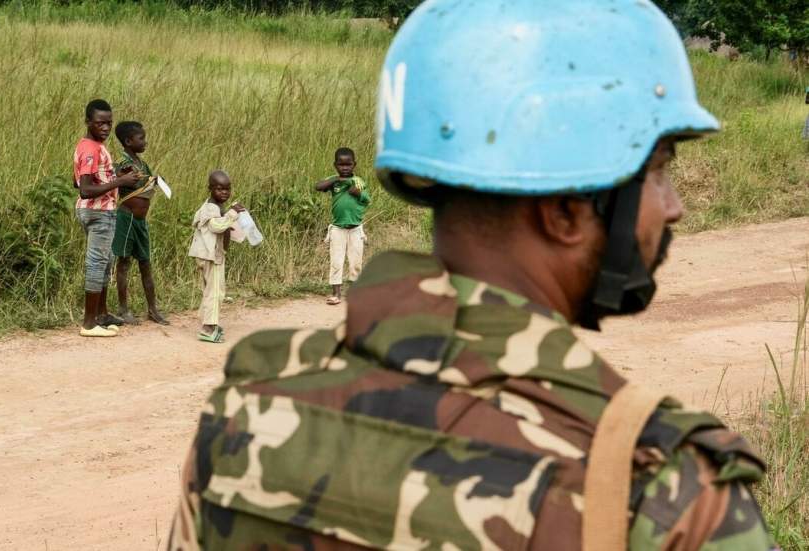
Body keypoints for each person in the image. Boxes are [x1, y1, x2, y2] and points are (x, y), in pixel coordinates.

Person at [168, 0, 778, 549]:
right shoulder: (666, 494)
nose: (672, 206)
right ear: (566, 211)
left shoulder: (248, 407)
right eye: (659, 170)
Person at [73, 99, 139, 338]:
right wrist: (120, 182)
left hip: (102, 211)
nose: (106, 127)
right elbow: (85, 189)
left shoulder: (91, 146)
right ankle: (89, 323)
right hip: (98, 212)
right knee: (97, 264)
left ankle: (101, 314)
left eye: (109, 123)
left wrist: (115, 175)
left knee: (105, 262)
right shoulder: (91, 148)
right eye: (100, 123)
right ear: (88, 122)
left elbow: (78, 180)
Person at [111, 120, 170, 326]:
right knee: (124, 263)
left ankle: (153, 309)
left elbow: (144, 182)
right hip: (126, 219)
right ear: (128, 141)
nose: (145, 142)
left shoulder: (142, 163)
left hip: (140, 221)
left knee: (145, 263)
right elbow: (118, 177)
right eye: (141, 138)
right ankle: (123, 309)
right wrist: (124, 175)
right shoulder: (123, 162)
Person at [187, 170, 244, 344]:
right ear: (210, 189)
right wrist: (233, 213)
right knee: (215, 292)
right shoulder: (210, 208)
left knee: (209, 291)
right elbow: (216, 226)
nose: (224, 192)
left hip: (208, 255)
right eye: (219, 189)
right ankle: (208, 329)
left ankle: (208, 323)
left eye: (227, 189)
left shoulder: (216, 206)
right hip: (210, 257)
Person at [315, 147, 370, 306]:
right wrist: (335, 180)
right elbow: (318, 186)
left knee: (355, 262)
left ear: (354, 165)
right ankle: (336, 294)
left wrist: (357, 193)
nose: (345, 168)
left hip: (355, 229)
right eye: (341, 165)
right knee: (336, 261)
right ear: (335, 165)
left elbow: (367, 200)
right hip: (338, 229)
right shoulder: (334, 181)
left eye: (348, 164)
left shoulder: (358, 182)